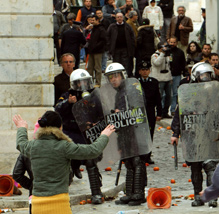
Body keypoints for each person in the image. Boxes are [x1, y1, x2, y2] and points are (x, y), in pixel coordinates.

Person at [171, 63, 219, 206]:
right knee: (196, 166)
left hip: (209, 133)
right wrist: (175, 132)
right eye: (203, 75)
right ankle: (198, 196)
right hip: (192, 133)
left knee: (211, 165)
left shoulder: (214, 91)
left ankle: (212, 196)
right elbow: (179, 113)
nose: (205, 78)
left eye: (208, 75)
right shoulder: (188, 92)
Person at [55, 69, 106, 203]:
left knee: (91, 160)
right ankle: (71, 171)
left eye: (85, 81)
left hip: (88, 132)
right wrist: (68, 102)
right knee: (67, 157)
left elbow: (103, 110)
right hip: (71, 132)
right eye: (80, 82)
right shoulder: (68, 94)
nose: (83, 84)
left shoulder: (94, 94)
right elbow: (57, 108)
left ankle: (96, 192)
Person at [105, 63, 150, 206]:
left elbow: (139, 108)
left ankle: (138, 193)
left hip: (136, 130)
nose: (113, 79)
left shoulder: (133, 88)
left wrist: (123, 112)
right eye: (111, 77)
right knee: (128, 161)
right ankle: (129, 192)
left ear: (122, 75)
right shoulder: (118, 92)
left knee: (137, 160)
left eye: (116, 76)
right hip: (124, 131)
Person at [138, 61, 163, 163]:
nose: (145, 72)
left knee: (149, 133)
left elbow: (158, 98)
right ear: (139, 71)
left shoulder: (154, 82)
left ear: (150, 71)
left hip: (150, 111)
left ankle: (147, 155)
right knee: (139, 134)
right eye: (143, 70)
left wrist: (159, 113)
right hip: (139, 111)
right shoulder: (136, 82)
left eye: (147, 70)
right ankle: (139, 155)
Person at [107, 12, 136, 77]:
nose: (119, 18)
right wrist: (109, 46)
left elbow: (132, 37)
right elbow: (108, 37)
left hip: (125, 49)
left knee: (125, 64)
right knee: (116, 64)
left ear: (123, 18)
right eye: (118, 17)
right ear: (115, 18)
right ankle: (117, 77)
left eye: (120, 17)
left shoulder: (128, 26)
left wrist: (132, 47)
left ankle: (125, 77)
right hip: (115, 49)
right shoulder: (112, 27)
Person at [151, 42, 173, 118]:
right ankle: (159, 112)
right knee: (159, 97)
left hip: (167, 78)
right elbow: (157, 63)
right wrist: (162, 54)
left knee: (169, 96)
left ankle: (165, 112)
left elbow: (168, 67)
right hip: (159, 79)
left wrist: (170, 78)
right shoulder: (154, 55)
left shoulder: (167, 55)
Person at [167, 36, 187, 114]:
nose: (172, 44)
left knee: (175, 93)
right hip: (167, 75)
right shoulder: (167, 52)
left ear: (177, 43)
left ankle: (172, 109)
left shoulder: (180, 52)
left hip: (177, 75)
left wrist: (184, 72)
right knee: (167, 93)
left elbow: (183, 63)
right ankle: (164, 110)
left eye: (174, 42)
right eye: (171, 42)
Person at [85, 14, 107, 86]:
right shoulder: (93, 28)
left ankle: (98, 82)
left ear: (97, 20)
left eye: (93, 20)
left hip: (98, 51)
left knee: (97, 67)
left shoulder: (101, 29)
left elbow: (103, 40)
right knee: (90, 67)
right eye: (91, 20)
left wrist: (96, 46)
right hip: (91, 51)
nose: (92, 22)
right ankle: (89, 82)